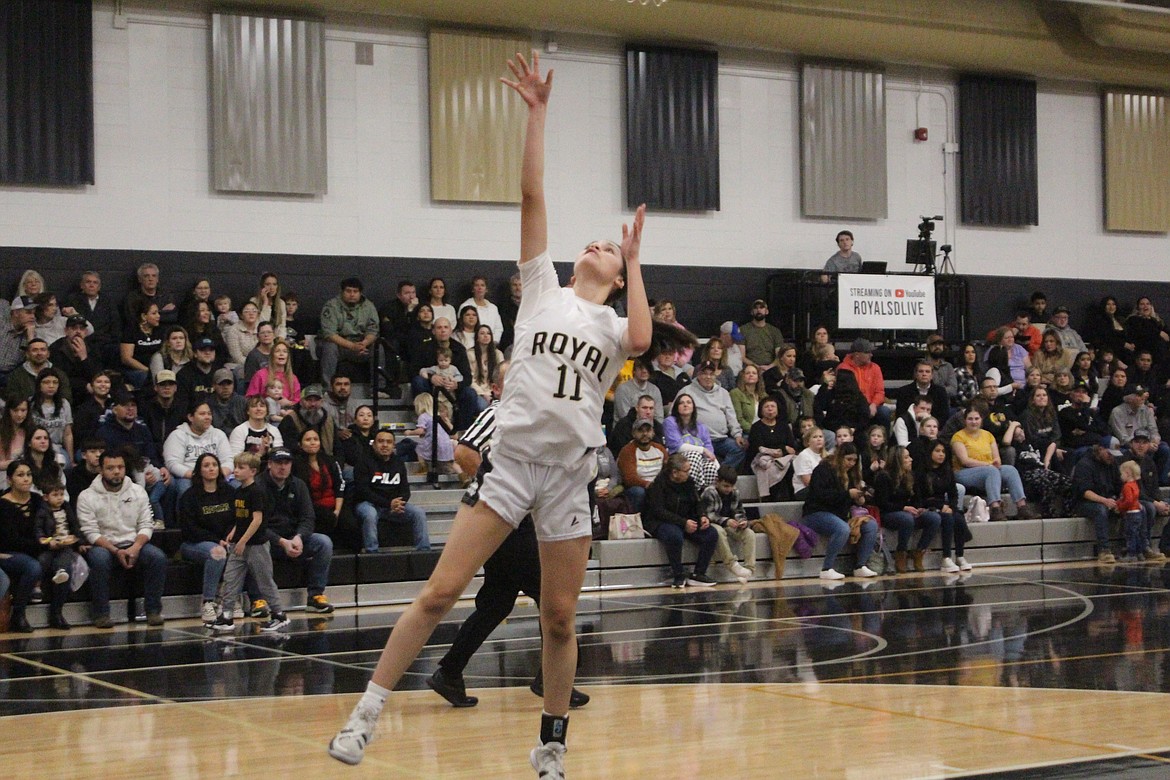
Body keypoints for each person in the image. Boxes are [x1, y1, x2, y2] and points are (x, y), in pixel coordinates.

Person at [328, 52, 659, 776]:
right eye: (595, 243)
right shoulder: (541, 288)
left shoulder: (611, 325)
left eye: (609, 244)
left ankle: (550, 746)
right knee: (441, 591)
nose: (598, 244)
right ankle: (365, 717)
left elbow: (642, 337)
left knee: (560, 617)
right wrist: (536, 116)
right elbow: (531, 195)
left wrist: (635, 261)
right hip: (510, 467)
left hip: (569, 477)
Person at [425, 359, 589, 710]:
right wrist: (500, 496)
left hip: (514, 523)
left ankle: (450, 671)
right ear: (499, 387)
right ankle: (551, 680)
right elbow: (464, 452)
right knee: (553, 599)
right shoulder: (498, 413)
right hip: (505, 521)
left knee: (498, 601)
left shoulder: (529, 417)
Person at [77, 450, 167, 627]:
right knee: (99, 559)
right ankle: (101, 614)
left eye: (120, 467)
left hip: (134, 544)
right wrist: (116, 550)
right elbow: (91, 532)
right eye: (110, 468)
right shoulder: (87, 496)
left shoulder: (137, 491)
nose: (116, 471)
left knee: (158, 557)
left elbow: (146, 524)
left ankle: (153, 611)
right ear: (101, 471)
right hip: (105, 546)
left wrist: (135, 547)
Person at [208, 452, 290, 633]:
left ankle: (279, 615)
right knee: (230, 579)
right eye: (235, 467)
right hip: (239, 543)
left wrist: (243, 540)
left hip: (256, 545)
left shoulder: (257, 492)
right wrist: (234, 531)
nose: (235, 471)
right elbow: (241, 517)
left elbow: (257, 520)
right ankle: (227, 616)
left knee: (264, 581)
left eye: (241, 468)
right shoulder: (238, 491)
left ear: (253, 471)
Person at [256, 447, 335, 615]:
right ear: (269, 464)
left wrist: (299, 537)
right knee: (254, 546)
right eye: (278, 463)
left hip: (293, 538)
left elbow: (308, 518)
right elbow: (257, 525)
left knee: (323, 542)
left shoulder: (298, 485)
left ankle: (315, 596)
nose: (283, 467)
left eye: (286, 463)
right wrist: (281, 541)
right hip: (268, 540)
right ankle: (258, 599)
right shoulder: (257, 486)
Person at [800, 442, 879, 580]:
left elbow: (849, 497)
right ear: (840, 457)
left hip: (839, 515)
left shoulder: (852, 474)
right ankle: (827, 568)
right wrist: (848, 494)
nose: (851, 463)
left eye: (854, 460)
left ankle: (860, 565)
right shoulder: (823, 469)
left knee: (871, 525)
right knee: (842, 529)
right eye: (848, 459)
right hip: (815, 512)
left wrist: (859, 499)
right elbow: (821, 496)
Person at [643, 453, 720, 589]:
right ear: (674, 472)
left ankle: (699, 573)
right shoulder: (658, 485)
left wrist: (702, 516)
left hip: (685, 519)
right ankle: (678, 574)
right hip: (662, 522)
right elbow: (659, 511)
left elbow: (697, 502)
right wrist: (683, 523)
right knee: (674, 536)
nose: (688, 473)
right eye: (686, 471)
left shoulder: (689, 482)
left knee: (711, 533)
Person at [950, 405, 1039, 522]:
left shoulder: (988, 435)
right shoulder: (958, 437)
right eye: (970, 419)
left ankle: (1022, 507)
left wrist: (996, 462)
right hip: (963, 472)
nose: (973, 422)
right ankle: (995, 508)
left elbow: (996, 458)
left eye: (976, 419)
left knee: (1010, 470)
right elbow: (965, 461)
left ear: (981, 420)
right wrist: (987, 465)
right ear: (965, 420)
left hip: (988, 470)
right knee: (991, 471)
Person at [178, 452, 236, 625]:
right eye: (206, 465)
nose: (211, 468)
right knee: (218, 553)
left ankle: (230, 599)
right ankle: (208, 602)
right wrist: (217, 540)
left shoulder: (229, 492)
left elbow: (235, 519)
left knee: (242, 549)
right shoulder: (190, 496)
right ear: (199, 470)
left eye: (214, 465)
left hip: (224, 540)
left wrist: (229, 536)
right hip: (194, 543)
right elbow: (190, 529)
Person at [353, 428, 429, 552]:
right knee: (370, 515)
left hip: (392, 506)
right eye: (381, 441)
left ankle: (424, 551)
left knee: (418, 512)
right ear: (374, 444)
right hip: (369, 504)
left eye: (388, 442)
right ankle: (372, 552)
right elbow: (363, 491)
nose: (384, 445)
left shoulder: (398, 463)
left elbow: (405, 490)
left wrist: (398, 503)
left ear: (393, 445)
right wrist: (389, 503)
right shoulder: (363, 462)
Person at [873, 447, 941, 573]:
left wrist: (919, 508)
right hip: (889, 514)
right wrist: (903, 508)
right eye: (906, 457)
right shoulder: (884, 477)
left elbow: (917, 498)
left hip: (907, 513)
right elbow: (882, 503)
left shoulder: (910, 476)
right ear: (897, 460)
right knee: (906, 518)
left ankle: (919, 551)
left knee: (934, 518)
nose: (911, 459)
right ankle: (901, 553)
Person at [0, 460, 48, 632]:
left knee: (63, 564)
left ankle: (56, 613)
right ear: (10, 480)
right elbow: (9, 540)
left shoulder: (37, 500)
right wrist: (41, 544)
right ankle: (18, 614)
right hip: (8, 553)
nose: (26, 479)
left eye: (28, 474)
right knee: (32, 566)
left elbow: (47, 525)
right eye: (20, 475)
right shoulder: (3, 504)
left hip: (36, 547)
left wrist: (53, 540)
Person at [163, 397, 233, 499]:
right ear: (190, 417)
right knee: (186, 491)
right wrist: (197, 476)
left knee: (236, 486)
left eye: (209, 414)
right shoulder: (178, 435)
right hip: (188, 477)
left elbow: (228, 460)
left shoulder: (218, 434)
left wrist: (219, 474)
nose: (207, 417)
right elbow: (172, 464)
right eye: (202, 414)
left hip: (216, 475)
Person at [35, 481, 83, 629]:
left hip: (65, 546)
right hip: (49, 547)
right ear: (45, 497)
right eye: (55, 495)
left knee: (65, 569)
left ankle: (57, 612)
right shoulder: (42, 512)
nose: (59, 498)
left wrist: (78, 540)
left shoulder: (67, 508)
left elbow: (74, 526)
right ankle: (37, 586)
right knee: (42, 562)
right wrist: (46, 541)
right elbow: (38, 530)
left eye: (61, 494)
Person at [915, 439, 968, 572]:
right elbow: (919, 498)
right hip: (927, 506)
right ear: (930, 452)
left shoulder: (947, 470)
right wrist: (940, 506)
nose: (941, 454)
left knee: (959, 518)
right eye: (937, 451)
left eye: (943, 451)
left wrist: (952, 507)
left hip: (943, 505)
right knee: (948, 518)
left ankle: (960, 556)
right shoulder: (921, 472)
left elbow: (953, 493)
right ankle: (946, 557)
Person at [700, 465, 755, 582]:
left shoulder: (735, 493)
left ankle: (749, 569)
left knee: (749, 533)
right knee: (718, 531)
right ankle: (732, 564)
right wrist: (726, 520)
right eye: (725, 486)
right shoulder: (709, 492)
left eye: (731, 486)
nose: (728, 489)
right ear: (717, 481)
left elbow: (739, 511)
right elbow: (709, 514)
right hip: (710, 523)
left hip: (729, 524)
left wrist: (742, 521)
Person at [1121, 431, 1170, 560]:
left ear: (1149, 445)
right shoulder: (1127, 461)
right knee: (1148, 508)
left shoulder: (1149, 461)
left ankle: (1165, 545)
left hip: (1149, 498)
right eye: (1137, 442)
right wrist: (1156, 503)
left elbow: (1154, 487)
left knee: (1165, 505)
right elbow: (1136, 491)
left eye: (1144, 443)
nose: (1140, 446)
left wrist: (1161, 501)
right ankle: (1145, 546)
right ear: (1131, 444)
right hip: (1132, 499)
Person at [688, 360, 746, 468]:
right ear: (698, 375)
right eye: (704, 373)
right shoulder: (687, 391)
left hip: (721, 439)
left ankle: (720, 475)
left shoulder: (723, 393)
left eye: (711, 374)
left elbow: (731, 416)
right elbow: (675, 416)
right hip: (697, 440)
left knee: (739, 449)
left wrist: (737, 435)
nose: (708, 377)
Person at [1071, 444, 1121, 563]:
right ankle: (1104, 549)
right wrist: (1105, 500)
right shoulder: (1084, 464)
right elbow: (1085, 492)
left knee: (1136, 506)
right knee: (1100, 510)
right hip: (1085, 503)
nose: (1111, 457)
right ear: (1100, 449)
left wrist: (1122, 500)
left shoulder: (1112, 463)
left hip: (1109, 499)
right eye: (1109, 453)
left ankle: (1136, 548)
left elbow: (1119, 486)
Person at [291, 428, 344, 539]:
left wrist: (337, 511)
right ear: (300, 444)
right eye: (308, 439)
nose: (312, 442)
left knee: (350, 524)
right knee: (327, 518)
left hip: (335, 505)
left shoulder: (330, 461)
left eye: (316, 439)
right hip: (312, 506)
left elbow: (340, 485)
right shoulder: (295, 464)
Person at [663, 391, 719, 488]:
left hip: (700, 462)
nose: (685, 405)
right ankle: (692, 491)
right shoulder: (670, 422)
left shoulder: (701, 427)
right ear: (677, 407)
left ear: (693, 407)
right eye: (681, 403)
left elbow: (710, 453)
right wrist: (702, 450)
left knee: (710, 467)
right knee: (695, 455)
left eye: (689, 402)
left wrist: (717, 467)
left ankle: (706, 495)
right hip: (677, 460)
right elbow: (677, 446)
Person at [62, 270, 120, 362]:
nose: (91, 285)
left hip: (104, 343)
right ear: (81, 285)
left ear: (99, 287)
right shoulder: (72, 300)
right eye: (88, 282)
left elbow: (115, 324)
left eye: (95, 283)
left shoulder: (108, 301)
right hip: (80, 341)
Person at [617, 417, 667, 512]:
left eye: (648, 430)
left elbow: (667, 470)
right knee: (638, 492)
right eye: (640, 431)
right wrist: (649, 485)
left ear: (653, 433)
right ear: (633, 433)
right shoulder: (627, 451)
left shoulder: (660, 449)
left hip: (658, 486)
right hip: (637, 488)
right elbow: (630, 479)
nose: (645, 434)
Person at [49, 314, 99, 407]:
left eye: (81, 328)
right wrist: (84, 385)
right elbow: (59, 377)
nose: (78, 331)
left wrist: (84, 358)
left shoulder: (93, 347)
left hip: (90, 393)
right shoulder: (56, 348)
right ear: (66, 331)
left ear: (86, 332)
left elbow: (96, 375)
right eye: (74, 328)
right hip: (65, 392)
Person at [839, 339, 888, 427]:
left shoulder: (875, 368)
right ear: (857, 355)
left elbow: (880, 392)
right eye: (867, 352)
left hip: (871, 405)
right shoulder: (843, 369)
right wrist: (863, 407)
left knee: (884, 412)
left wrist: (873, 404)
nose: (871, 355)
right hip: (852, 407)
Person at [406, 392, 458, 476]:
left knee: (419, 449)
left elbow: (420, 431)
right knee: (449, 462)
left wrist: (409, 432)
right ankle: (461, 474)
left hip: (434, 442)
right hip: (447, 444)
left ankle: (423, 468)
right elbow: (453, 434)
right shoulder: (438, 417)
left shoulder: (423, 416)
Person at [8, 337, 72, 404]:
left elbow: (66, 398)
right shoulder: (16, 375)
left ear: (48, 354)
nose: (39, 353)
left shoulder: (59, 374)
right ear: (27, 354)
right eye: (35, 350)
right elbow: (12, 400)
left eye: (43, 350)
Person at [31, 369, 74, 465]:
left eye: (55, 382)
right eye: (46, 382)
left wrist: (71, 459)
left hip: (56, 448)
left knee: (65, 465)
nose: (51, 386)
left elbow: (68, 434)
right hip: (34, 448)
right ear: (39, 385)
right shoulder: (30, 404)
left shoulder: (64, 404)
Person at [278, 384, 334, 457]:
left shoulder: (328, 419)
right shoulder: (290, 419)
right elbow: (288, 447)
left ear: (322, 401)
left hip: (327, 461)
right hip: (298, 461)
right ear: (301, 401)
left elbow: (337, 448)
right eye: (309, 400)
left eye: (316, 400)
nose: (313, 404)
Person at [120, 262, 176, 329]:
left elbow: (172, 318)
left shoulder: (166, 296)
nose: (150, 279)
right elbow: (132, 321)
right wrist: (162, 312)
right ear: (140, 279)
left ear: (157, 279)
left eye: (154, 276)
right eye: (146, 276)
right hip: (140, 335)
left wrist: (148, 316)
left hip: (163, 333)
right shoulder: (132, 298)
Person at [120, 302, 162, 389]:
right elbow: (126, 359)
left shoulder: (160, 331)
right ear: (144, 316)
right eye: (154, 313)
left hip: (158, 368)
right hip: (137, 370)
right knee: (145, 377)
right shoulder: (131, 331)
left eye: (158, 313)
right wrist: (148, 370)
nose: (158, 316)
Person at [229, 395, 284, 459]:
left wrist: (269, 450)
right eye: (254, 406)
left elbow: (279, 456)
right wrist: (259, 454)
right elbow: (235, 458)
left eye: (262, 406)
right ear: (248, 411)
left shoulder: (274, 430)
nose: (258, 409)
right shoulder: (239, 430)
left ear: (267, 411)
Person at [612, 357, 663, 424]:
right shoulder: (623, 389)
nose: (644, 371)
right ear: (634, 371)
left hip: (649, 430)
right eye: (640, 368)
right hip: (625, 429)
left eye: (647, 368)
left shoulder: (655, 390)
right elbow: (624, 416)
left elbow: (659, 417)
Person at [741, 298, 785, 368]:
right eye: (755, 308)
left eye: (761, 307)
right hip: (750, 368)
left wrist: (769, 367)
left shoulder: (775, 331)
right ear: (752, 312)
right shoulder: (743, 330)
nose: (758, 310)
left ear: (766, 311)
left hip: (771, 368)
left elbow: (779, 356)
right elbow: (741, 356)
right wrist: (756, 367)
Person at [177, 337, 223, 402]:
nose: (208, 353)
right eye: (203, 350)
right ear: (195, 354)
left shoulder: (220, 372)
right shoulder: (184, 375)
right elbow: (182, 402)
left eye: (211, 350)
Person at [790, 425, 826, 499]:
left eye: (820, 437)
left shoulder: (827, 455)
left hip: (822, 488)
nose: (819, 439)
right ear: (808, 441)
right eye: (815, 437)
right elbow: (807, 482)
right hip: (804, 490)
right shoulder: (804, 455)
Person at [730, 364, 767, 435]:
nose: (751, 375)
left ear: (758, 377)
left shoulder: (763, 395)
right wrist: (755, 431)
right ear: (743, 376)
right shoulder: (736, 393)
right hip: (747, 432)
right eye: (747, 373)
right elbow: (739, 419)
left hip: (764, 431)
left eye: (754, 373)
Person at [209, 368, 248, 435]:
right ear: (214, 385)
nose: (225, 387)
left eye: (229, 383)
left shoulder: (243, 402)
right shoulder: (207, 404)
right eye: (221, 384)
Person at [250, 272, 288, 340]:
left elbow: (282, 326)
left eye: (274, 284)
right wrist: (265, 302)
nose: (271, 287)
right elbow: (262, 324)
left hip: (275, 339)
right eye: (268, 284)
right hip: (258, 338)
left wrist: (281, 338)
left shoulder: (281, 303)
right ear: (262, 286)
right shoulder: (254, 301)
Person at [223, 301, 260, 369]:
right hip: (239, 366)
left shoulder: (262, 328)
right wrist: (255, 365)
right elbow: (237, 357)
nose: (251, 313)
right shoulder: (233, 330)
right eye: (247, 311)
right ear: (241, 315)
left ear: (258, 314)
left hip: (262, 364)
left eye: (254, 311)